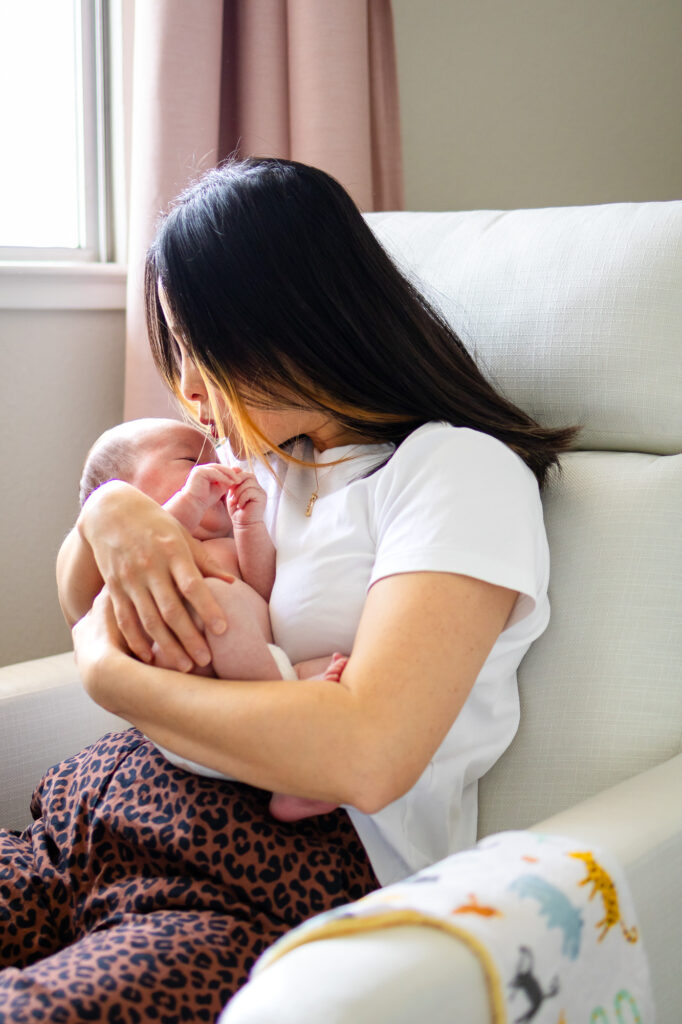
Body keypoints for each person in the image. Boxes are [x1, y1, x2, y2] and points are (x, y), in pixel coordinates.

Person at [0, 156, 577, 1022]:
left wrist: (112, 681)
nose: (187, 388)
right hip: (88, 814)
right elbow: (83, 601)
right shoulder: (251, 468)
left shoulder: (455, 472)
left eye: (198, 348)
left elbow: (366, 752)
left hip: (261, 877)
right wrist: (110, 515)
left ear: (285, 320)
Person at [78, 415, 349, 820]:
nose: (217, 467)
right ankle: (291, 769)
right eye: (190, 460)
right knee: (214, 597)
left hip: (242, 688)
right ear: (130, 496)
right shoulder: (150, 553)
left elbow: (263, 594)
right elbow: (159, 536)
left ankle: (292, 721)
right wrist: (187, 502)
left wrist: (248, 525)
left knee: (341, 666)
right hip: (186, 686)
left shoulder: (225, 545)